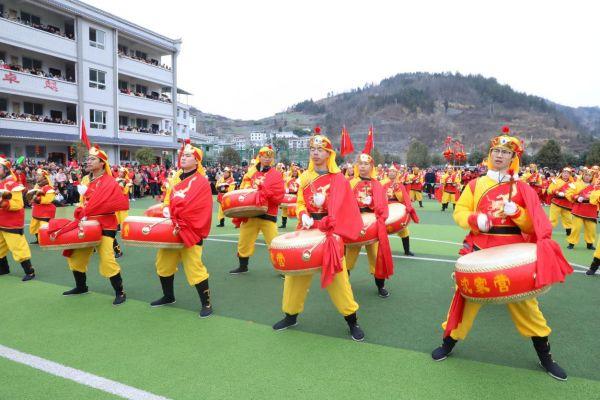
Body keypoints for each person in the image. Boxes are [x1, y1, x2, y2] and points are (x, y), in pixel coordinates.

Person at [431, 126, 573, 381]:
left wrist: (517, 213)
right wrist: (476, 219)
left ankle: (546, 358)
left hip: (512, 257)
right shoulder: (474, 185)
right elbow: (459, 213)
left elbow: (535, 226)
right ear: (489, 154)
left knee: (530, 310)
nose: (499, 155)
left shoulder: (523, 188)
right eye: (495, 150)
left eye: (505, 152)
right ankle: (448, 343)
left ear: (512, 158)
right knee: (464, 303)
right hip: (481, 252)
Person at [272, 132, 366, 341]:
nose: (315, 153)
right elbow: (299, 203)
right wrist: (304, 214)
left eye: (319, 150)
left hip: (330, 233)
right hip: (307, 229)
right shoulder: (305, 177)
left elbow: (347, 208)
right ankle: (290, 315)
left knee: (339, 281)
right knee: (294, 277)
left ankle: (352, 320)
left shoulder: (338, 179)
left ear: (328, 153)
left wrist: (328, 210)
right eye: (312, 150)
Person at [57, 146, 129, 305]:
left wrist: (87, 196)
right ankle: (81, 287)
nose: (88, 161)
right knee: (76, 257)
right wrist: (81, 208)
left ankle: (120, 292)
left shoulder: (110, 181)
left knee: (107, 260)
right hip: (88, 223)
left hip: (105, 225)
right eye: (88, 159)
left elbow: (116, 203)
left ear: (102, 163)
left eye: (92, 159)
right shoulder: (86, 180)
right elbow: (86, 203)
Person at [151, 140, 214, 318]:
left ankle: (206, 303)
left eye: (188, 156)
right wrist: (165, 207)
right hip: (172, 229)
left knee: (195, 267)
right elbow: (169, 199)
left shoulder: (201, 182)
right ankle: (168, 296)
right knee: (163, 264)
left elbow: (201, 209)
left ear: (197, 161)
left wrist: (181, 218)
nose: (183, 158)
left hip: (191, 230)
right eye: (183, 155)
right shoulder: (176, 178)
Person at [345, 151, 394, 297]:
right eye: (360, 163)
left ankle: (380, 286)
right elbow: (344, 204)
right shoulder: (350, 183)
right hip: (355, 223)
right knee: (349, 256)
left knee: (375, 255)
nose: (363, 167)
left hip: (373, 225)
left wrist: (372, 203)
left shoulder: (377, 184)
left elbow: (383, 206)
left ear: (371, 166)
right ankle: (344, 285)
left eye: (366, 164)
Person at [229, 146, 284, 274]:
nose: (267, 158)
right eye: (264, 156)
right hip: (251, 213)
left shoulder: (276, 175)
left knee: (274, 243)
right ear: (259, 157)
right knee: (244, 241)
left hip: (268, 214)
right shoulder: (251, 174)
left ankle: (282, 269)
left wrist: (265, 191)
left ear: (272, 159)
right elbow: (244, 190)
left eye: (269, 156)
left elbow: (278, 196)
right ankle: (243, 266)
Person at [0, 155, 36, 281]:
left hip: (11, 223)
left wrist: (3, 203)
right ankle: (3, 269)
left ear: (5, 170)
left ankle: (30, 271)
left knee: (18, 247)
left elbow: (18, 204)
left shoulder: (12, 185)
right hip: (1, 222)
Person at [380, 165, 419, 256]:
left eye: (394, 172)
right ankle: (380, 251)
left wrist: (397, 191)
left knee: (404, 230)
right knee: (381, 231)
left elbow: (404, 198)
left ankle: (407, 250)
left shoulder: (400, 185)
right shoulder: (381, 183)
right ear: (388, 173)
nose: (392, 173)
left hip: (397, 208)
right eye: (390, 171)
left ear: (396, 173)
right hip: (385, 208)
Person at [566, 168, 599, 250]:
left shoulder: (596, 186)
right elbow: (569, 193)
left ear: (592, 177)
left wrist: (593, 197)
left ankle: (590, 244)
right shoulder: (575, 184)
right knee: (576, 228)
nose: (587, 177)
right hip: (579, 209)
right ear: (583, 175)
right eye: (586, 175)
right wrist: (576, 197)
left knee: (591, 229)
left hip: (591, 209)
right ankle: (571, 243)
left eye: (589, 175)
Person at [27, 168, 56, 244]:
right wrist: (31, 199)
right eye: (37, 175)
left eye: (39, 175)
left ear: (44, 177)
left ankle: (46, 240)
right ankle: (38, 240)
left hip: (45, 211)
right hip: (37, 210)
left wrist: (37, 198)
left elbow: (48, 199)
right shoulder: (38, 186)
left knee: (44, 226)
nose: (37, 176)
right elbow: (33, 196)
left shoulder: (48, 188)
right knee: (35, 226)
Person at [547, 167, 574, 236]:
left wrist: (567, 194)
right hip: (556, 202)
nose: (565, 174)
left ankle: (569, 232)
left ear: (570, 175)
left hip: (567, 203)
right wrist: (557, 192)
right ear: (561, 173)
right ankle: (548, 232)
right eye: (564, 172)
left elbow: (574, 193)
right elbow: (549, 191)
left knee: (568, 218)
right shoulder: (556, 181)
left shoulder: (572, 183)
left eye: (567, 173)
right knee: (552, 219)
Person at [114, 167, 132, 258]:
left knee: (124, 218)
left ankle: (126, 232)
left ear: (125, 173)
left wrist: (122, 185)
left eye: (122, 172)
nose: (120, 173)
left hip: (123, 201)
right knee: (116, 216)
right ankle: (116, 228)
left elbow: (125, 192)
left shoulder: (127, 181)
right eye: (119, 172)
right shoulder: (116, 179)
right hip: (116, 201)